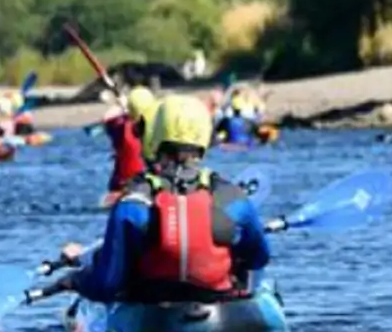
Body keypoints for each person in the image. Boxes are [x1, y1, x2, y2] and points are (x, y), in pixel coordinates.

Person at [58, 95, 272, 305]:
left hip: (150, 312)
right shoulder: (233, 199)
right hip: (220, 309)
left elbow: (107, 285)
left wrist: (77, 280)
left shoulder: (131, 206)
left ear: (155, 133)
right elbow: (259, 257)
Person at [102, 85, 155, 200]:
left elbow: (107, 119)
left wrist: (120, 106)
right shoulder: (157, 130)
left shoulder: (122, 129)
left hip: (123, 189)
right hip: (147, 188)